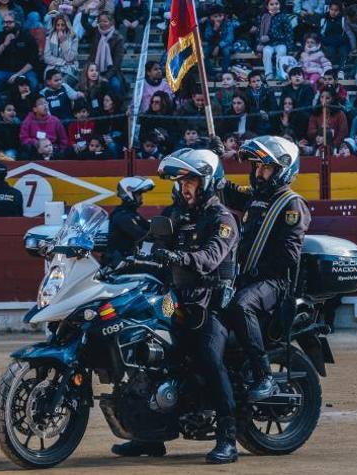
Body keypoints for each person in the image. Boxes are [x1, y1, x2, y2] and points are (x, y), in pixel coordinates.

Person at [112, 149, 239, 464]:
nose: (185, 186)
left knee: (209, 358)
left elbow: (210, 258)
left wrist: (178, 258)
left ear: (207, 181)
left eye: (191, 179)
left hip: (212, 302)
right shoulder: (176, 213)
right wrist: (124, 263)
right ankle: (150, 436)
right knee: (148, 353)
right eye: (182, 180)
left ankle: (228, 438)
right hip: (178, 299)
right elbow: (150, 244)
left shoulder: (222, 218)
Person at [220, 136, 310, 403]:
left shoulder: (291, 204)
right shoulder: (255, 197)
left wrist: (254, 274)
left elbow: (289, 256)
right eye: (256, 167)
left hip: (274, 283)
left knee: (240, 305)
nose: (258, 173)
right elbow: (222, 189)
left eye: (265, 168)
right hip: (247, 278)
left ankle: (264, 375)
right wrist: (213, 156)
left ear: (282, 169)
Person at [106, 176, 155, 265]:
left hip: (128, 261)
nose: (141, 198)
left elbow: (148, 227)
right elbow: (142, 234)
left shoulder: (132, 214)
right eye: (138, 194)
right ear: (128, 193)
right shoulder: (121, 216)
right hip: (119, 265)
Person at [0, 12, 39, 91]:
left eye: (9, 22)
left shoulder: (27, 37)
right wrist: (4, 44)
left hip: (23, 71)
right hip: (3, 71)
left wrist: (18, 74)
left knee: (33, 82)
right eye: (4, 22)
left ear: (17, 23)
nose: (6, 25)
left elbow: (33, 60)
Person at [257, 0, 293, 80]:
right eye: (272, 4)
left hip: (281, 42)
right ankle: (269, 74)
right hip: (268, 44)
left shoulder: (283, 17)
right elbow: (259, 33)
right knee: (266, 52)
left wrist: (289, 47)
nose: (274, 6)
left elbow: (289, 33)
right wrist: (258, 48)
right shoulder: (264, 17)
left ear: (280, 5)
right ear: (267, 6)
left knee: (281, 52)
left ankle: (279, 73)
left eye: (276, 4)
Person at [43, 13, 79, 87]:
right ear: (55, 26)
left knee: (63, 84)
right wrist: (62, 62)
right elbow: (46, 57)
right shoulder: (49, 37)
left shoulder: (74, 38)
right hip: (54, 66)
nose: (60, 27)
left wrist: (63, 41)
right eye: (58, 25)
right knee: (51, 81)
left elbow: (70, 58)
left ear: (66, 25)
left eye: (62, 25)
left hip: (70, 68)